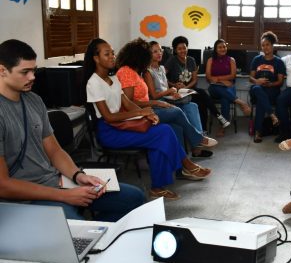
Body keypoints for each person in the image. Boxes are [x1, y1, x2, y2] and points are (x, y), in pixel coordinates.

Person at [0, 39, 145, 221]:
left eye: (34, 70)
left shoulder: (34, 101)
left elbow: (54, 151)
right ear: (2, 70)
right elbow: (3, 185)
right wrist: (64, 195)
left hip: (54, 182)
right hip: (25, 199)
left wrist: (77, 175)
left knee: (134, 198)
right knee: (74, 227)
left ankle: (98, 241)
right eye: (25, 72)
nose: (32, 77)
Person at [85, 38, 211, 201]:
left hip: (122, 124)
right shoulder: (93, 83)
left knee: (164, 131)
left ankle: (161, 185)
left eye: (113, 53)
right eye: (107, 54)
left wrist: (145, 112)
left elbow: (127, 103)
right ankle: (184, 167)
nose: (112, 57)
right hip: (110, 131)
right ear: (96, 58)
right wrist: (142, 113)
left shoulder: (114, 79)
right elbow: (108, 116)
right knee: (161, 135)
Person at [116, 38, 217, 159]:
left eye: (160, 50)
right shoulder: (127, 72)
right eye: (151, 53)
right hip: (139, 114)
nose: (155, 55)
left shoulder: (136, 71)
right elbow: (129, 103)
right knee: (177, 111)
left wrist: (171, 91)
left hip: (147, 109)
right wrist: (158, 102)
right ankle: (198, 139)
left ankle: (183, 164)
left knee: (178, 125)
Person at [145, 41, 209, 157]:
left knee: (193, 106)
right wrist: (170, 91)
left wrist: (174, 90)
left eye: (160, 50)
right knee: (185, 112)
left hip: (168, 99)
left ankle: (197, 146)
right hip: (159, 103)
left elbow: (165, 87)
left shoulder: (162, 69)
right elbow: (154, 95)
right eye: (155, 51)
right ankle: (198, 141)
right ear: (148, 54)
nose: (159, 53)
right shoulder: (148, 72)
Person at [165, 36, 230, 132]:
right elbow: (162, 77)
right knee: (203, 94)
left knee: (202, 102)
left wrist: (186, 88)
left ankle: (204, 131)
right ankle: (218, 116)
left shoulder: (191, 60)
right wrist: (173, 85)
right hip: (177, 92)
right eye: (179, 49)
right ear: (175, 50)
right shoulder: (172, 60)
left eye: (184, 48)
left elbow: (195, 80)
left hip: (189, 90)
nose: (183, 50)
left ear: (187, 47)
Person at [206, 39, 251, 136]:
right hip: (215, 88)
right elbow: (209, 77)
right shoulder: (210, 60)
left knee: (225, 99)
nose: (223, 49)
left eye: (224, 47)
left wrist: (218, 79)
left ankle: (222, 126)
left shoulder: (231, 60)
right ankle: (240, 102)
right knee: (216, 89)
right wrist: (222, 80)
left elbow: (233, 75)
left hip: (229, 87)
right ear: (216, 49)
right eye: (220, 47)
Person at [249, 31, 286, 143]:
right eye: (263, 45)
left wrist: (270, 84)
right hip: (257, 89)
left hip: (272, 91)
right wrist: (257, 81)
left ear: (272, 45)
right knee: (256, 89)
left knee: (261, 101)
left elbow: (280, 81)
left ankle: (258, 132)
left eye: (267, 44)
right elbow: (251, 78)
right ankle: (272, 115)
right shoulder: (257, 59)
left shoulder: (278, 62)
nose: (265, 47)